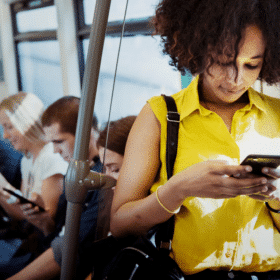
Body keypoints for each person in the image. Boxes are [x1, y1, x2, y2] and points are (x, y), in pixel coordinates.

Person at [110, 1, 280, 279]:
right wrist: (178, 189)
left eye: (252, 65)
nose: (235, 79)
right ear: (197, 49)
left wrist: (276, 199)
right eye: (223, 61)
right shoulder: (160, 115)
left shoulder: (278, 115)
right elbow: (120, 225)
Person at [7, 115, 136, 280]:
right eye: (105, 168)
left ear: (86, 135)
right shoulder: (74, 174)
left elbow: (75, 246)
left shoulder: (103, 191)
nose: (54, 151)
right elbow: (58, 234)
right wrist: (43, 221)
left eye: (59, 141)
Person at [0, 92, 68, 278]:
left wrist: (3, 185)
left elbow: (43, 224)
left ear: (27, 123)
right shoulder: (27, 159)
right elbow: (19, 215)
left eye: (9, 127)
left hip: (43, 245)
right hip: (29, 238)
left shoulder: (51, 158)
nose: (5, 135)